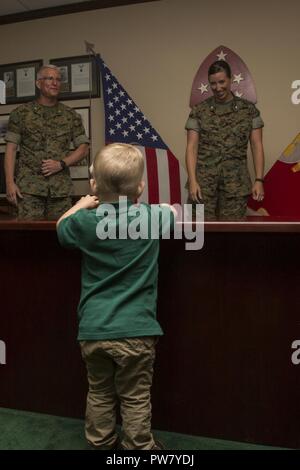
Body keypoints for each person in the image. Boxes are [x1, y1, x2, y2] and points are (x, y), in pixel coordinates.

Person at [56, 143, 175, 450]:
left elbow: (61, 226)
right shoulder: (151, 218)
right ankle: (137, 447)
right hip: (137, 330)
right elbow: (172, 213)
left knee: (99, 391)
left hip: (94, 330)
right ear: (141, 186)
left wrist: (82, 204)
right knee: (135, 395)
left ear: (94, 185)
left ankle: (100, 442)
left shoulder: (85, 222)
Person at [4, 64, 89, 219]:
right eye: (50, 78)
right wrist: (9, 183)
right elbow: (11, 149)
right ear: (38, 83)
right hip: (29, 191)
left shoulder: (70, 115)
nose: (55, 83)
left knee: (61, 237)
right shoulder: (21, 113)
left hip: (60, 191)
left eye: (58, 79)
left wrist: (61, 164)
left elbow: (83, 149)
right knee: (28, 238)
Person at [185, 60, 265, 220]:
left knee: (233, 236)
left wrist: (259, 179)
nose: (218, 87)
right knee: (200, 234)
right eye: (213, 84)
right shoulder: (199, 111)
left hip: (235, 185)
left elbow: (257, 146)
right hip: (203, 185)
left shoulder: (249, 111)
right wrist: (193, 181)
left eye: (221, 82)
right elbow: (191, 147)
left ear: (230, 79)